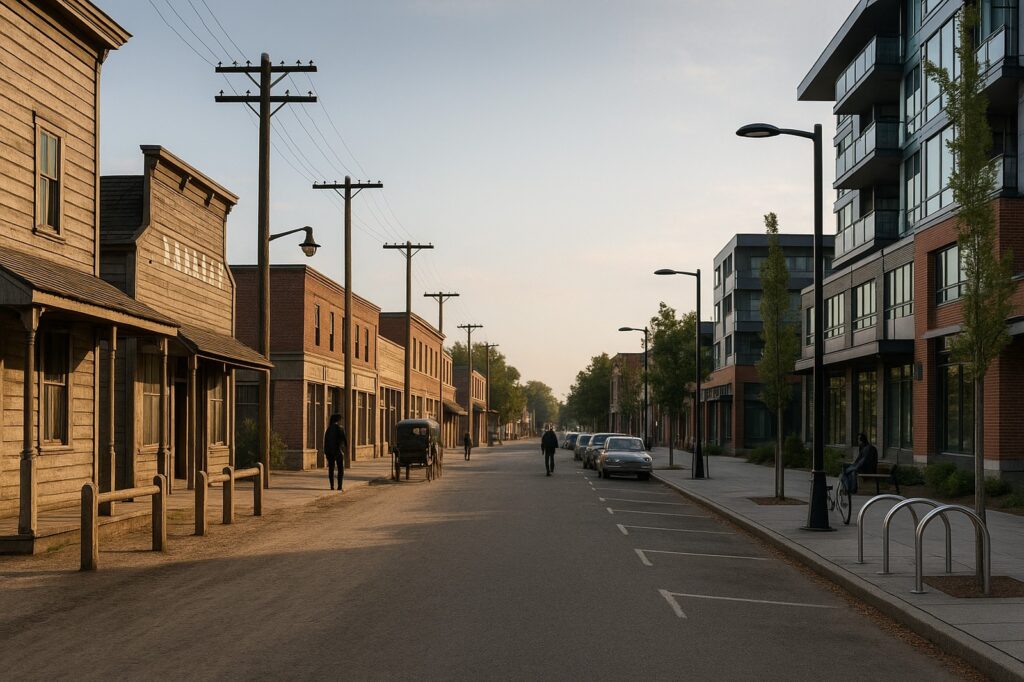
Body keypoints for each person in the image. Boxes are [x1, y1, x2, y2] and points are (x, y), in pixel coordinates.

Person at [323, 414, 347, 491]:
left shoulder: (328, 429)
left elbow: (325, 442)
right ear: (338, 420)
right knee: (340, 469)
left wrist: (326, 452)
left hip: (329, 452)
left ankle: (332, 486)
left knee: (331, 469)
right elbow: (345, 441)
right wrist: (344, 450)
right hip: (338, 452)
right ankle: (339, 486)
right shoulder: (340, 428)